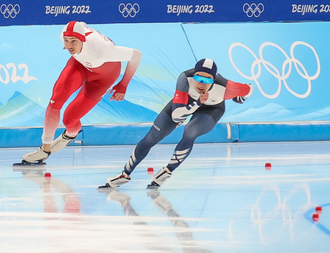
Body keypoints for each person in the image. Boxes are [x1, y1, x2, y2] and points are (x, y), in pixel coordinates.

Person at [102, 58, 253, 189]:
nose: (201, 83)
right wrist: (197, 103)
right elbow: (176, 115)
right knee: (151, 137)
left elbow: (249, 88)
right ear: (193, 75)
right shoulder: (185, 78)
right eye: (198, 78)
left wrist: (241, 98)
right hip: (188, 102)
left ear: (213, 80)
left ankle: (167, 170)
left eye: (207, 80)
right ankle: (124, 174)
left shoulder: (227, 87)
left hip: (212, 109)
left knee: (190, 131)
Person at [21, 21, 142, 164]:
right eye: (66, 41)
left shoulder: (102, 50)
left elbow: (136, 55)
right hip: (80, 65)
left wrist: (123, 84)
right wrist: (74, 36)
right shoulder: (65, 34)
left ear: (83, 39)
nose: (69, 46)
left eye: (73, 41)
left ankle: (71, 134)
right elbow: (81, 24)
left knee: (69, 119)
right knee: (55, 100)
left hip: (103, 78)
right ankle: (44, 150)